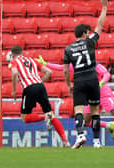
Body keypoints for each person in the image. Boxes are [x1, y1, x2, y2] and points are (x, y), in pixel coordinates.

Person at [63, 0, 108, 149]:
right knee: (95, 111)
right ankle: (96, 141)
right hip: (93, 80)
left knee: (79, 110)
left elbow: (64, 70)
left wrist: (69, 85)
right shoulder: (89, 42)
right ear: (84, 34)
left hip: (79, 80)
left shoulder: (68, 49)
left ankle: (81, 134)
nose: (89, 33)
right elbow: (100, 26)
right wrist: (105, 7)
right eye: (87, 32)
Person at [36, 56, 114, 139]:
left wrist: (101, 84)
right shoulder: (75, 66)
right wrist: (45, 63)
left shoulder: (94, 64)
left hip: (104, 93)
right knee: (87, 121)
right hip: (90, 96)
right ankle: (110, 125)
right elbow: (61, 67)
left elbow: (107, 74)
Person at [6, 45, 70, 147]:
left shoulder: (14, 62)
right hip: (40, 86)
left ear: (12, 54)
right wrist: (40, 82)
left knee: (25, 117)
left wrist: (14, 90)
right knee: (51, 114)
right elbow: (49, 72)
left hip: (29, 88)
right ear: (22, 52)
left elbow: (14, 73)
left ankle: (45, 117)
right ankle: (66, 142)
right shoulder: (32, 60)